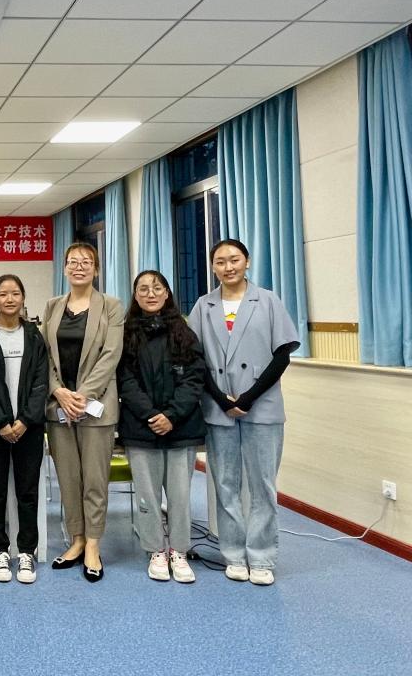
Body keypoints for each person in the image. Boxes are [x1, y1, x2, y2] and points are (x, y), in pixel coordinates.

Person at [188, 239, 300, 587]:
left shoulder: (267, 300)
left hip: (262, 406)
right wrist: (222, 400)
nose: (228, 267)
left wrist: (248, 398)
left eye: (234, 259)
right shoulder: (204, 305)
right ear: (213, 267)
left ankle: (262, 556)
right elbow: (194, 357)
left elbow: (282, 355)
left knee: (263, 485)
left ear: (247, 262)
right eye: (220, 261)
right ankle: (233, 554)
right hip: (218, 407)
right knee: (225, 484)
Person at [117, 270, 206, 584]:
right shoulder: (125, 333)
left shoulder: (184, 332)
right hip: (141, 428)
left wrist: (171, 415)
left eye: (157, 288)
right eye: (143, 289)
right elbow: (124, 380)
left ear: (167, 293)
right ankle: (155, 549)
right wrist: (151, 415)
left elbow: (195, 377)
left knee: (180, 496)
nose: (150, 294)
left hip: (181, 428)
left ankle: (179, 550)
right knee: (147, 496)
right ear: (135, 296)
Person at [42, 242, 124, 582]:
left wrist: (82, 395)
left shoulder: (111, 306)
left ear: (96, 269)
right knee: (68, 478)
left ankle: (93, 544)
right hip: (58, 407)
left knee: (94, 480)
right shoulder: (52, 306)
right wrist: (59, 391)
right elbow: (44, 356)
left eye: (86, 261)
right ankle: (76, 540)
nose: (79, 266)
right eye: (72, 261)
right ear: (64, 268)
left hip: (96, 407)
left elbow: (111, 354)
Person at [0, 274, 48, 584]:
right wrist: (2, 421)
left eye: (15, 293)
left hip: (29, 427)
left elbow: (41, 382)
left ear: (23, 298)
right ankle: (0, 551)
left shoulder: (34, 336)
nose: (10, 299)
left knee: (28, 491)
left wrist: (25, 420)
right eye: (3, 294)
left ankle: (26, 551)